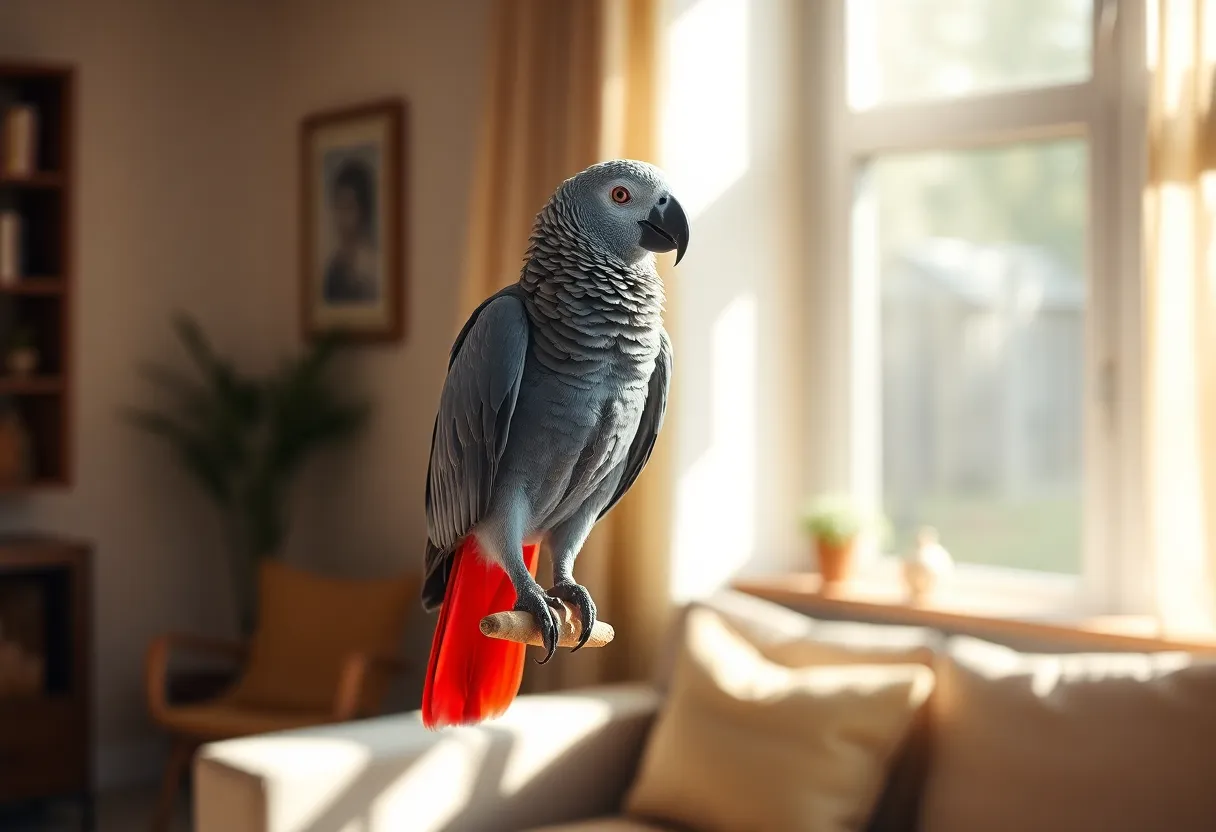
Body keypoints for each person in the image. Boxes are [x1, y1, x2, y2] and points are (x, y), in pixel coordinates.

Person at [322, 158, 379, 303]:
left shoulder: (371, 269)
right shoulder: (333, 268)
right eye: (338, 206)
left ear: (363, 211)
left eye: (348, 207)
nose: (341, 217)